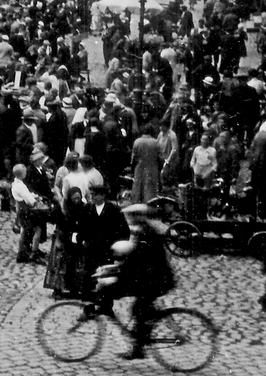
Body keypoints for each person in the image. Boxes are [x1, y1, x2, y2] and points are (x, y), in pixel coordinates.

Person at [102, 204, 176, 360]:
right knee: (140, 308)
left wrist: (116, 273)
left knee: (139, 308)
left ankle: (139, 348)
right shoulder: (144, 230)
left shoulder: (146, 233)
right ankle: (141, 340)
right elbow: (133, 258)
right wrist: (115, 268)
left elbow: (136, 260)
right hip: (153, 277)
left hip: (156, 279)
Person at [44, 186, 87, 298]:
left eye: (78, 198)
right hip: (62, 238)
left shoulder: (83, 207)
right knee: (60, 265)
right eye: (74, 198)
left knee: (76, 265)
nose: (77, 201)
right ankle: (57, 288)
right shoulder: (63, 208)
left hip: (76, 239)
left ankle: (74, 288)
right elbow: (53, 219)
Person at [11, 163, 40, 263]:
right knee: (37, 230)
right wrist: (35, 200)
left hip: (21, 210)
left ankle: (22, 252)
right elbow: (29, 201)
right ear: (22, 174)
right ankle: (33, 253)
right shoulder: (20, 186)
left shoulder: (16, 184)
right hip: (25, 211)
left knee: (23, 231)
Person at [130, 125, 162, 203]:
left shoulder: (137, 141)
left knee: (138, 186)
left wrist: (132, 169)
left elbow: (133, 158)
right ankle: (150, 204)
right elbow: (160, 157)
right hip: (152, 167)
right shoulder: (155, 142)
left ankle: (136, 203)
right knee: (150, 188)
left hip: (139, 167)